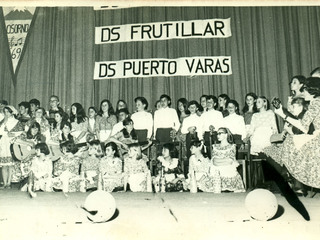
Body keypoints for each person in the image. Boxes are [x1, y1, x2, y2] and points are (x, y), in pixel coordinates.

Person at [267, 77, 320, 189]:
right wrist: (282, 112)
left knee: (290, 146)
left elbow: (303, 126)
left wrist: (283, 114)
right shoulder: (316, 102)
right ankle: (291, 178)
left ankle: (289, 176)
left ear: (311, 90)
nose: (303, 92)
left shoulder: (316, 103)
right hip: (315, 137)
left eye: (304, 89)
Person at [211, 127, 245, 192]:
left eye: (220, 133)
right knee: (215, 168)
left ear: (226, 135)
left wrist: (220, 160)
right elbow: (214, 161)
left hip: (228, 168)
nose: (218, 135)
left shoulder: (232, 147)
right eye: (217, 134)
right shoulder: (215, 147)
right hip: (216, 168)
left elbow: (230, 161)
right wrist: (225, 160)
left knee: (228, 168)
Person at [0, 106, 24, 189]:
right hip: (4, 142)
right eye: (5, 112)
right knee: (4, 165)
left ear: (12, 112)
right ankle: (4, 182)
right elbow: (1, 132)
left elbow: (21, 132)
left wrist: (14, 134)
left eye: (8, 112)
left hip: (12, 142)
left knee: (10, 164)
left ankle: (9, 183)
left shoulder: (17, 122)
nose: (6, 113)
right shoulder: (2, 121)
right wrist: (4, 122)